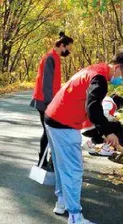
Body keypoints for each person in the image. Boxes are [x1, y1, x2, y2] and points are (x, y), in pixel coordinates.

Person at [44, 53, 123, 224]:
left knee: (63, 167)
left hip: (52, 118)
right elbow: (93, 108)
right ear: (117, 67)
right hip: (64, 124)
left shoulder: (94, 70)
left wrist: (104, 130)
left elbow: (90, 107)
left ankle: (62, 202)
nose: (121, 80)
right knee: (73, 170)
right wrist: (108, 132)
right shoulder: (100, 79)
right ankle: (75, 219)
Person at [30, 32, 73, 169]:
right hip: (44, 101)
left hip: (49, 101)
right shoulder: (49, 58)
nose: (69, 51)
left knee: (49, 131)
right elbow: (46, 83)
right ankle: (43, 162)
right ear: (62, 45)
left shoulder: (55, 57)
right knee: (48, 130)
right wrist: (50, 104)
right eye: (68, 48)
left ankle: (46, 161)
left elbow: (54, 83)